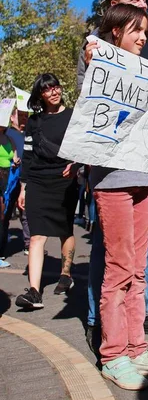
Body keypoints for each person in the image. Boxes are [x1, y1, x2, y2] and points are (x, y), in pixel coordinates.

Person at [79, 0, 148, 345]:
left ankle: (145, 315)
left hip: (146, 164)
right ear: (115, 8)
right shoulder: (96, 46)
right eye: (135, 0)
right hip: (112, 167)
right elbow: (91, 99)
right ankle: (99, 322)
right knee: (110, 249)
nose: (144, 4)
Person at [15, 74, 79, 309]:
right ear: (40, 95)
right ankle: (34, 291)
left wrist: (77, 166)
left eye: (56, 87)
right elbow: (28, 155)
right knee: (36, 235)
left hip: (65, 180)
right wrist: (23, 187)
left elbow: (82, 147)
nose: (54, 92)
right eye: (47, 89)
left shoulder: (73, 116)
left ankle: (65, 274)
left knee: (65, 229)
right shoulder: (34, 121)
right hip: (38, 182)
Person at [2, 108, 31, 257]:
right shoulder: (6, 133)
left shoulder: (29, 134)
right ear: (12, 117)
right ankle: (2, 248)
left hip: (26, 180)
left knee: (26, 213)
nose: (24, 118)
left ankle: (29, 245)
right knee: (5, 213)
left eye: (26, 115)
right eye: (20, 115)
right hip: (10, 178)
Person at [0, 123, 19, 268]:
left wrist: (15, 161)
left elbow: (15, 154)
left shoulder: (9, 139)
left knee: (3, 213)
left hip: (8, 177)